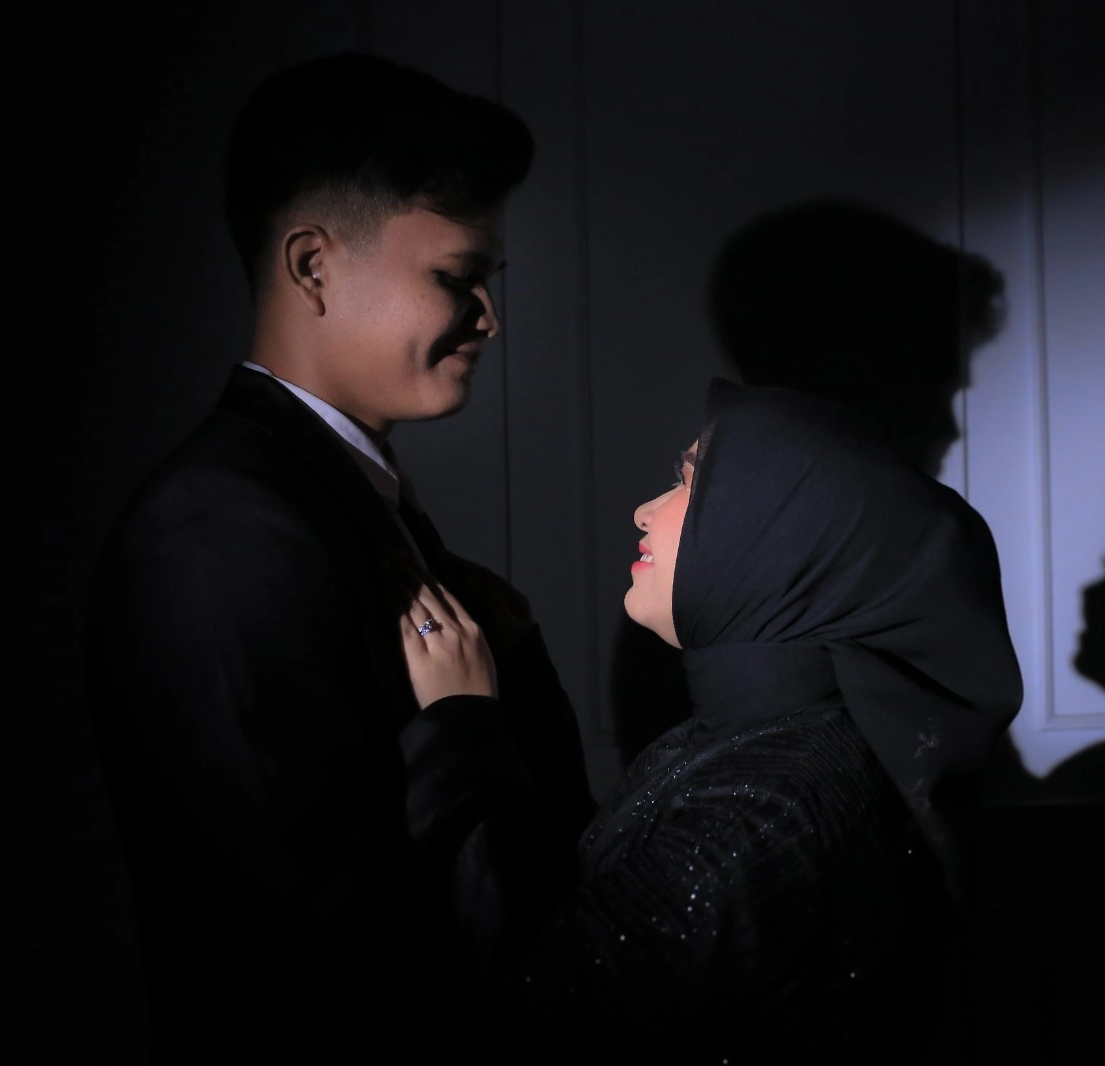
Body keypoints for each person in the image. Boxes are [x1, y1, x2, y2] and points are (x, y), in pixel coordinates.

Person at [86, 52, 593, 1062]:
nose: (488, 318)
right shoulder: (219, 526)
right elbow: (306, 957)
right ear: (313, 265)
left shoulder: (344, 497)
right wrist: (466, 728)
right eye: (457, 277)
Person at [402, 379, 1023, 1062]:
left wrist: (462, 726)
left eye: (688, 483)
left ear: (774, 538)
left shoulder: (767, 806)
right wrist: (518, 680)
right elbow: (596, 894)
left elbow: (533, 1012)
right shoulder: (767, 740)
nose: (644, 511)